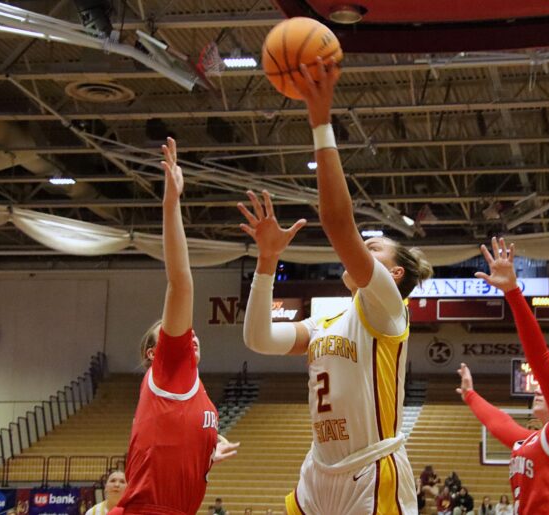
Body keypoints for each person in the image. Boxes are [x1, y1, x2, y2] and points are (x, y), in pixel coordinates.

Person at [240, 58, 433, 515]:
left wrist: (321, 120)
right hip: (318, 471)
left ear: (395, 273)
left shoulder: (387, 308)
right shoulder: (327, 317)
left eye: (375, 247)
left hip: (371, 471)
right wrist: (266, 261)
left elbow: (336, 223)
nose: (364, 248)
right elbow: (258, 339)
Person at [109, 138, 239, 515]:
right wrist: (171, 203)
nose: (190, 333)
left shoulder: (194, 393)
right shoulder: (171, 367)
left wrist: (209, 448)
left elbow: (172, 449)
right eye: (175, 333)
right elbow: (181, 281)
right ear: (155, 352)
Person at [457, 237, 549, 515]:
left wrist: (512, 292)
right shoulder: (535, 440)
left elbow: (541, 360)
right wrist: (470, 395)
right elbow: (500, 423)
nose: (539, 390)